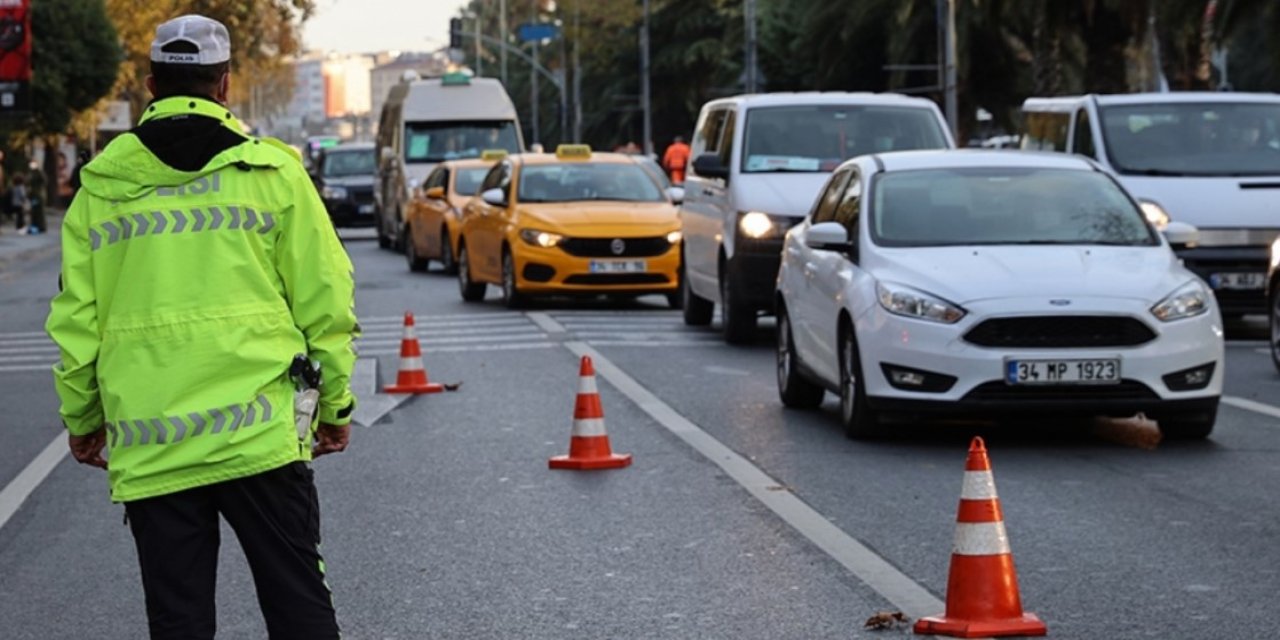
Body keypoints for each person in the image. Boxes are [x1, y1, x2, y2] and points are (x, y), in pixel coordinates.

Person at [46, 14, 357, 640]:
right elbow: (327, 301)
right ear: (224, 85)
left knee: (179, 621)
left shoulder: (101, 188)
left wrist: (83, 421)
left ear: (150, 82)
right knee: (299, 605)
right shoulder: (272, 174)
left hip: (156, 443)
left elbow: (76, 323)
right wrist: (336, 404)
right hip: (262, 437)